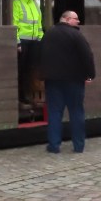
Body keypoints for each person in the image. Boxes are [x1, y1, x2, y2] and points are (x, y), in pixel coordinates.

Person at [38, 11, 95, 153]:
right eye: (76, 19)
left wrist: (42, 75)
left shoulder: (49, 34)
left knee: (55, 112)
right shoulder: (76, 35)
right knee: (76, 112)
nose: (78, 21)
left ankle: (54, 145)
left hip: (52, 81)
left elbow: (40, 55)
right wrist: (90, 75)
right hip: (74, 80)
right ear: (67, 19)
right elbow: (87, 55)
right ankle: (78, 145)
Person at [13, 0, 44, 105]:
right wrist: (17, 42)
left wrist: (41, 39)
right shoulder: (17, 3)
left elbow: (39, 24)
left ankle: (31, 95)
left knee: (32, 70)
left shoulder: (36, 4)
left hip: (35, 42)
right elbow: (14, 23)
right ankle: (21, 96)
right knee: (21, 70)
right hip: (23, 41)